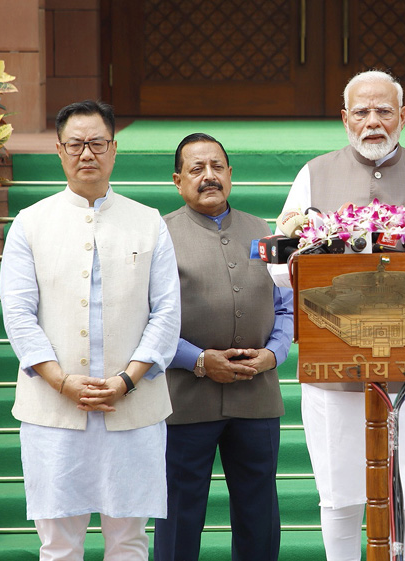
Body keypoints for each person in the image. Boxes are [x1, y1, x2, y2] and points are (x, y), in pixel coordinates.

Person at [272, 70, 405, 561]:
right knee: (340, 495)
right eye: (362, 112)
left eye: (384, 111)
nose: (373, 121)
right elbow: (278, 268)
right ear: (344, 117)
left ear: (403, 116)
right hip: (337, 369)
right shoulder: (314, 174)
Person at [0, 100, 181, 561]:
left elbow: (166, 313)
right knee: (59, 545)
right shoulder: (30, 223)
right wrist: (60, 381)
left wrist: (126, 381)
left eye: (97, 143)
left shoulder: (149, 221)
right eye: (76, 144)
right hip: (53, 410)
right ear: (59, 151)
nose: (87, 154)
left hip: (133, 407)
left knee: (129, 543)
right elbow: (18, 314)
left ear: (114, 149)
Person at [153, 133, 294, 561]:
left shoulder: (264, 231)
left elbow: (286, 309)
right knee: (179, 517)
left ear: (230, 174)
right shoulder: (160, 235)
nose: (209, 176)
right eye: (196, 169)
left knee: (259, 517)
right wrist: (198, 360)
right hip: (185, 398)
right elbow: (147, 319)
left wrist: (273, 354)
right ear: (177, 180)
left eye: (217, 167)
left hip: (257, 395)